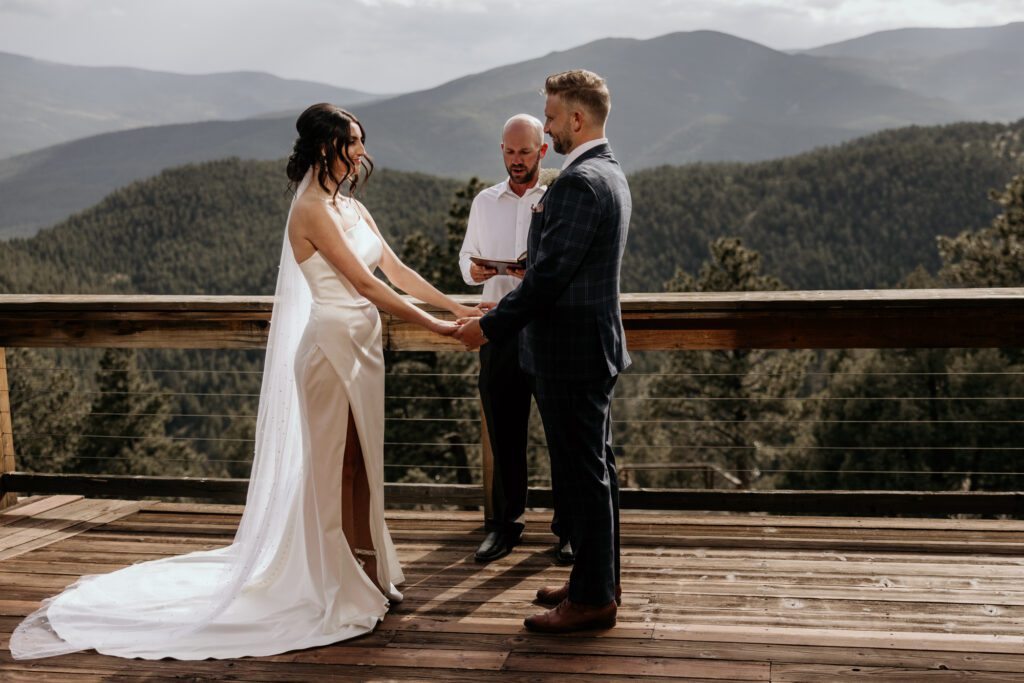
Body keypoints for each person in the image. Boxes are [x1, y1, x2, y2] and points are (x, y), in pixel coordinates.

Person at [10, 103, 479, 660]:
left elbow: (396, 272)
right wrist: (442, 329)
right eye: (351, 142)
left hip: (365, 347)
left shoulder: (351, 206)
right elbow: (362, 283)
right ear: (324, 146)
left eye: (360, 140)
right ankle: (340, 581)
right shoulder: (309, 209)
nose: (360, 151)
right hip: (329, 345)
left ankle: (371, 566)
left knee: (363, 464)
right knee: (330, 469)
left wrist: (462, 310)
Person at [455, 70, 631, 633]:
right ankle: (594, 580)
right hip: (588, 348)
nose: (549, 127)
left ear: (576, 119)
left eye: (552, 118)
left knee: (585, 476)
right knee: (594, 470)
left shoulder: (578, 183)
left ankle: (592, 600)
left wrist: (490, 328)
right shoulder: (609, 171)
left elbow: (549, 277)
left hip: (571, 353)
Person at [460, 114, 572, 565]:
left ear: (542, 151)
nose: (516, 161)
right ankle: (504, 526)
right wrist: (476, 270)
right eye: (509, 152)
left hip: (547, 329)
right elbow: (465, 259)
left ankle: (569, 530)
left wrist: (538, 273)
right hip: (499, 327)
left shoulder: (561, 196)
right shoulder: (485, 201)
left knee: (561, 433)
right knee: (504, 431)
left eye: (525, 152)